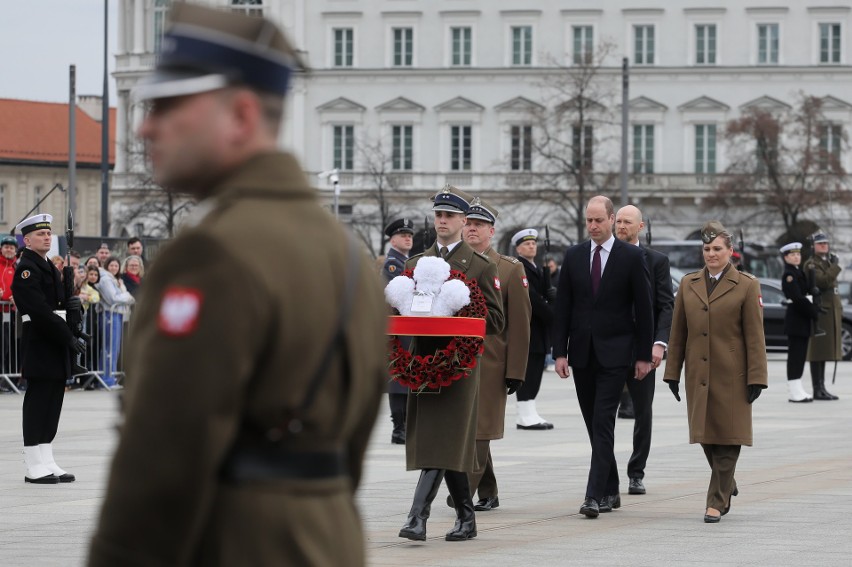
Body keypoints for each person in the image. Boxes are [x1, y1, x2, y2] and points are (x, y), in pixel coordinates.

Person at [88, 4, 387, 566]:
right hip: (328, 539)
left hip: (235, 543)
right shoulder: (347, 254)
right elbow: (351, 441)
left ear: (242, 115)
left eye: (171, 105)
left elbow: (163, 458)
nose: (144, 125)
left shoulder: (211, 253)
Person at [398, 185, 504, 542]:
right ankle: (467, 518)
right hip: (424, 363)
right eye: (438, 215)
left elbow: (497, 320)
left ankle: (417, 518)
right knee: (441, 442)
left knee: (443, 441)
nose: (442, 221)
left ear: (462, 221)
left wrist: (464, 313)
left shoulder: (479, 266)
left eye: (449, 216)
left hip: (460, 368)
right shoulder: (415, 265)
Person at [552, 195, 654, 518]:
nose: (593, 226)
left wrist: (643, 355)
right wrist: (559, 352)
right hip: (582, 354)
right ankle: (611, 487)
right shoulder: (574, 256)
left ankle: (593, 496)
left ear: (612, 219)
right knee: (591, 423)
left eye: (599, 220)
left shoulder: (630, 257)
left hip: (616, 354)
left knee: (602, 421)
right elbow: (563, 308)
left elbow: (645, 309)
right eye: (589, 221)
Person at [663, 220, 768, 523]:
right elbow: (678, 332)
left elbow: (755, 336)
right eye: (707, 249)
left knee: (728, 436)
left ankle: (716, 501)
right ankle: (727, 481)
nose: (711, 254)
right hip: (699, 373)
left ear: (730, 252)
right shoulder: (688, 283)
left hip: (732, 374)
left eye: (717, 249)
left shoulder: (747, 285)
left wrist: (757, 377)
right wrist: (672, 372)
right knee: (705, 435)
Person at [458, 197, 531, 511]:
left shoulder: (510, 269)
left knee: (481, 427)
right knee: (468, 426)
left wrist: (515, 369)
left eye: (479, 225)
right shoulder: (453, 263)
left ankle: (464, 491)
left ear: (492, 230)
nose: (472, 229)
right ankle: (488, 490)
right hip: (457, 360)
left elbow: (520, 324)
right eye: (469, 224)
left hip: (491, 362)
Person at [12, 214, 84, 483]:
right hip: (42, 340)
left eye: (48, 233)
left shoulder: (50, 268)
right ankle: (33, 463)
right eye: (39, 234)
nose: (46, 236)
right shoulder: (26, 269)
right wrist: (66, 336)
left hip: (53, 339)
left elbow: (58, 303)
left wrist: (73, 305)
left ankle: (47, 458)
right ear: (27, 240)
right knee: (38, 401)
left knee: (53, 401)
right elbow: (39, 310)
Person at [614, 205, 674, 496]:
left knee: (643, 413)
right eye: (619, 221)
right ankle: (605, 471)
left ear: (641, 227)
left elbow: (665, 305)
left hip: (643, 351)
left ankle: (636, 472)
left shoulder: (656, 261)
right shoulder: (601, 257)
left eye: (628, 222)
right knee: (602, 415)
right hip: (608, 349)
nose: (621, 226)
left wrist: (659, 344)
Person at [513, 228, 556, 430]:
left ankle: (531, 411)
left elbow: (545, 294)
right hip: (528, 327)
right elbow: (532, 298)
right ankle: (524, 414)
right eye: (527, 244)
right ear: (518, 248)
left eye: (533, 243)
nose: (531, 246)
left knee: (536, 370)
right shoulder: (520, 267)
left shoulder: (537, 268)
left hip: (538, 329)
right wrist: (552, 314)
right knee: (528, 372)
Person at [382, 217, 415, 445]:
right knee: (398, 380)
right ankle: (399, 428)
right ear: (392, 239)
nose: (408, 238)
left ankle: (403, 427)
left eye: (410, 235)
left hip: (406, 325)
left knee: (404, 377)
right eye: (403, 235)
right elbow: (399, 294)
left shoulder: (405, 261)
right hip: (398, 325)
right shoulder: (393, 264)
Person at [804, 232, 841, 400]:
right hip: (821, 310)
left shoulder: (826, 262)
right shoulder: (812, 264)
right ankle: (817, 388)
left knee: (826, 350)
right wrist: (835, 266)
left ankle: (822, 386)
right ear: (813, 246)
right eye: (820, 244)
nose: (824, 246)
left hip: (831, 309)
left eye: (826, 243)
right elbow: (824, 281)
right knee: (817, 351)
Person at [780, 242, 816, 403]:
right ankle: (794, 391)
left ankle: (798, 387)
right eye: (793, 255)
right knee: (795, 357)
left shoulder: (798, 272)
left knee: (800, 356)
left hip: (802, 321)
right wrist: (812, 311)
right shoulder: (789, 275)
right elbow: (797, 298)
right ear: (786, 257)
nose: (796, 257)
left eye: (798, 254)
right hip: (796, 320)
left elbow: (806, 292)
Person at [96, 256, 135, 387]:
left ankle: (109, 378)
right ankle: (107, 379)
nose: (114, 268)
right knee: (110, 348)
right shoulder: (105, 279)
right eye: (111, 265)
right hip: (109, 315)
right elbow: (113, 298)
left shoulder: (115, 280)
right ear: (107, 266)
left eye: (116, 266)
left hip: (116, 315)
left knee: (114, 348)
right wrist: (128, 296)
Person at [1, 235, 19, 380]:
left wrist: (18, 297)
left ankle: (7, 378)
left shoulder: (17, 268)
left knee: (8, 347)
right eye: (6, 246)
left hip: (11, 313)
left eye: (11, 247)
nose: (9, 249)